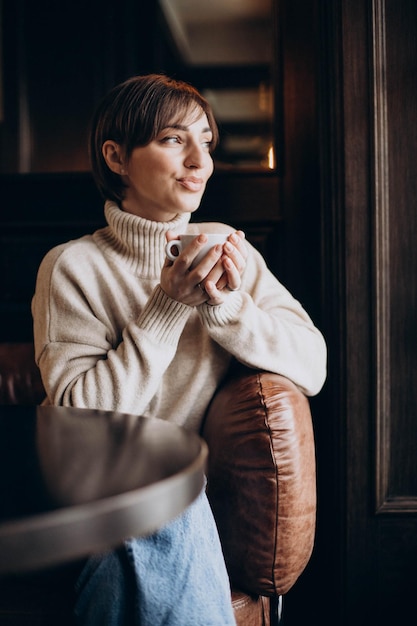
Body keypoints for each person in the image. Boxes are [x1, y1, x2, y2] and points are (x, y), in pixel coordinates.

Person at [32, 73, 327, 625]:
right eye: (174, 140)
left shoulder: (229, 250)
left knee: (170, 497)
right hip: (93, 497)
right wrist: (166, 308)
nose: (201, 161)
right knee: (166, 491)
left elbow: (313, 365)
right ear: (116, 157)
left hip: (180, 505)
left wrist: (227, 309)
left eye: (207, 143)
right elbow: (80, 421)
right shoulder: (72, 266)